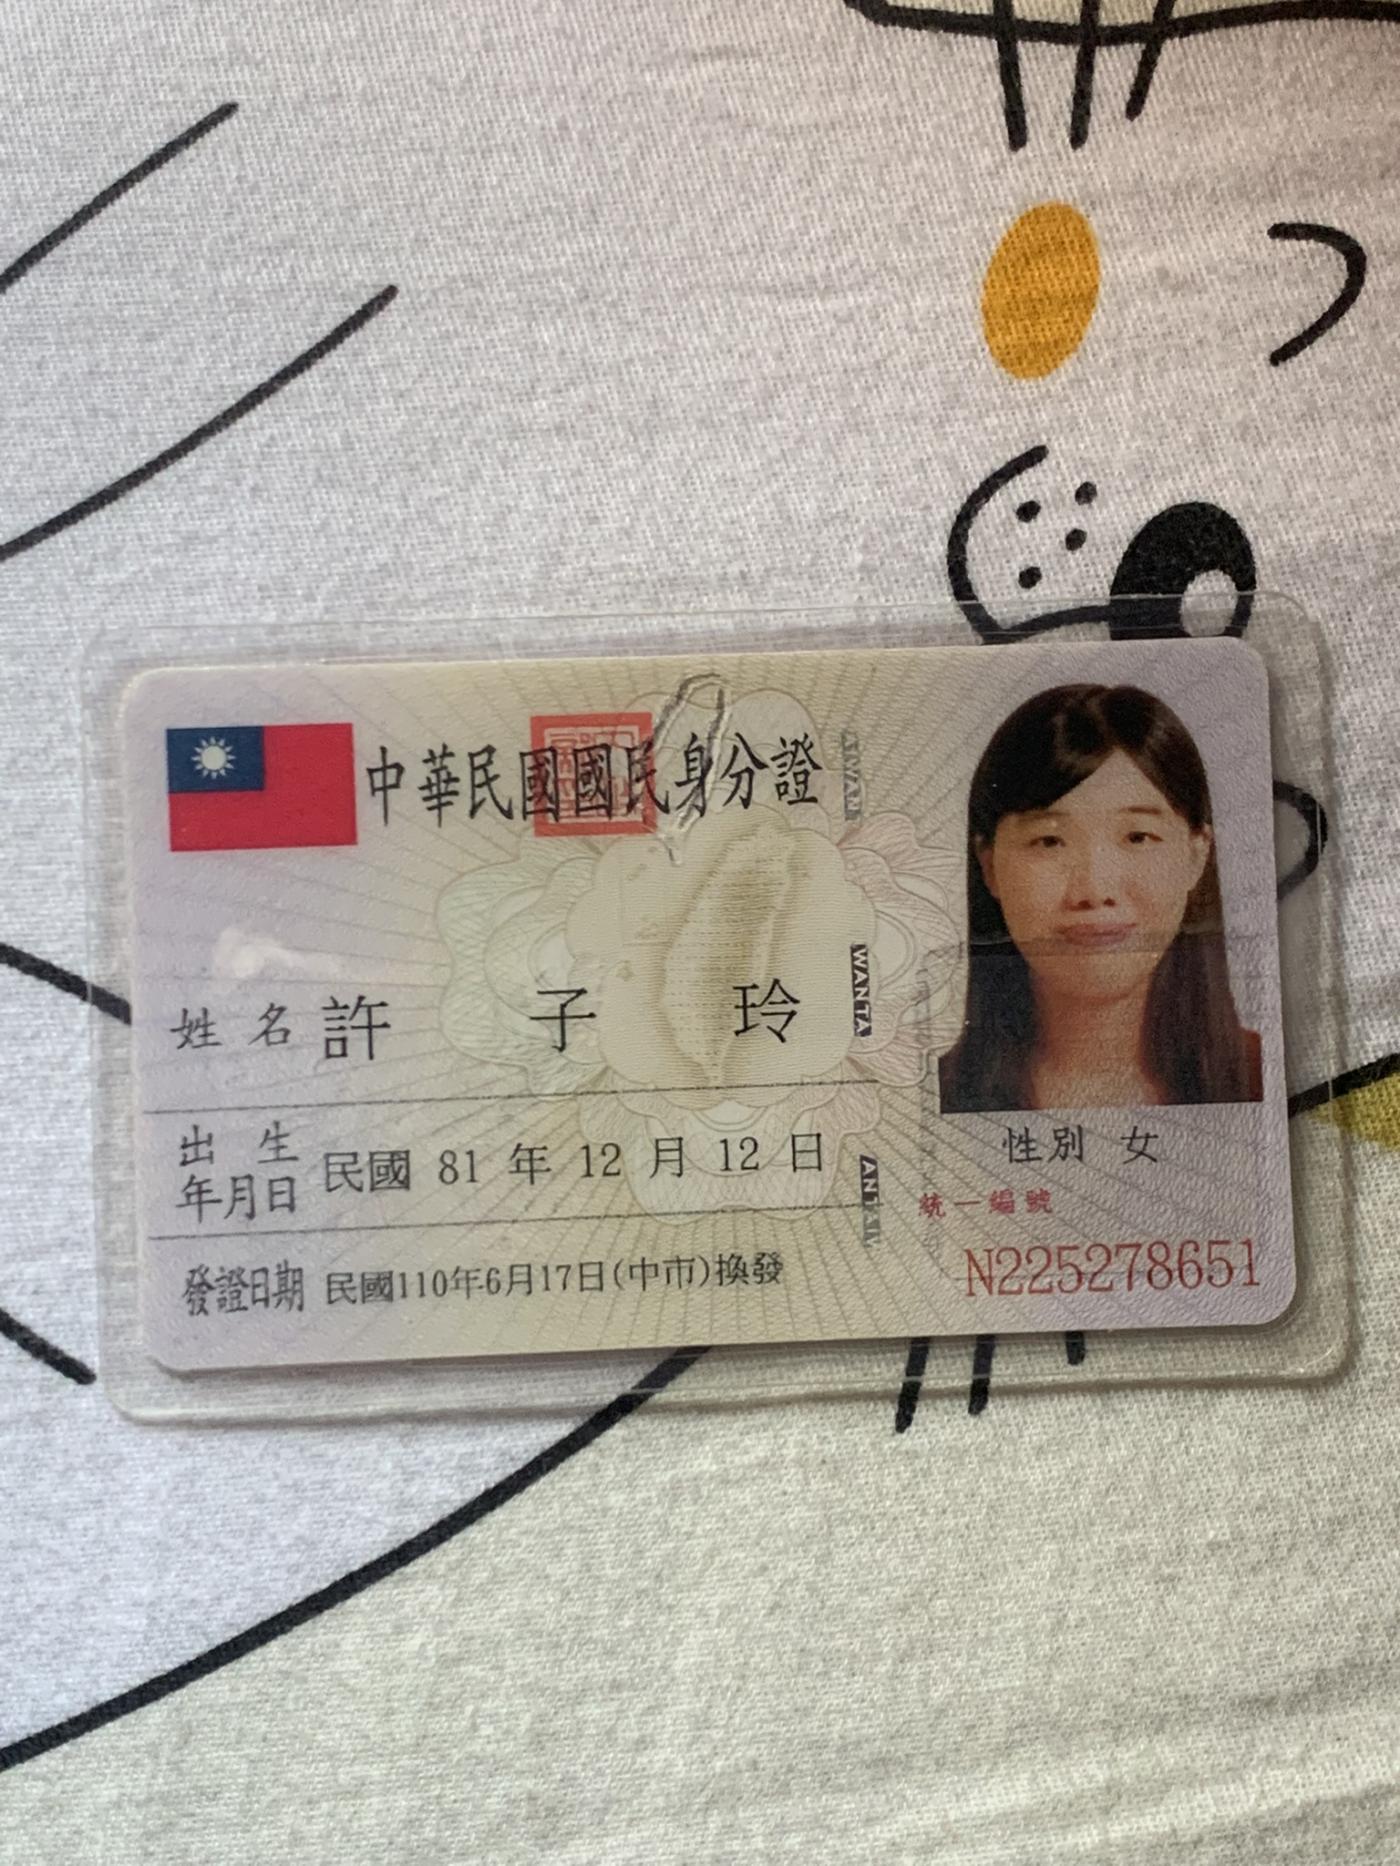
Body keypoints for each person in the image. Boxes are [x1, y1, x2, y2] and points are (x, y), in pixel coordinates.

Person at [938, 682, 1262, 1112]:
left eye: (1137, 837)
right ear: (989, 865)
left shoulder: (1261, 1076)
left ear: (1196, 854)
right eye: (1049, 841)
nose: (1094, 890)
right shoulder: (928, 1095)